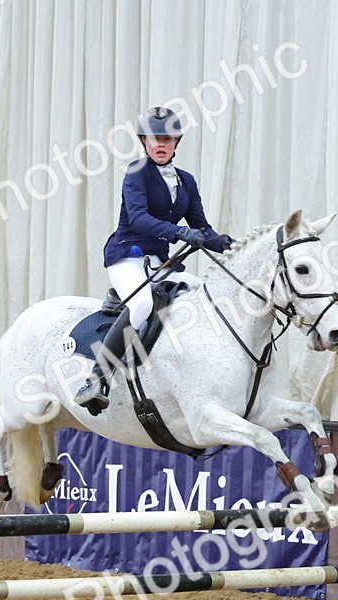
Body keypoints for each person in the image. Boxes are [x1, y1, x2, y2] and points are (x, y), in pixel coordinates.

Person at [74, 107, 233, 414]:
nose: (161, 144)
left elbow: (201, 225)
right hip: (128, 254)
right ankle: (96, 379)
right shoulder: (136, 172)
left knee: (201, 292)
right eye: (154, 139)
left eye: (167, 139)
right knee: (142, 305)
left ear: (176, 143)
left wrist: (226, 243)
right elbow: (139, 218)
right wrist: (180, 232)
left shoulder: (186, 181)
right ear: (144, 142)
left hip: (159, 263)